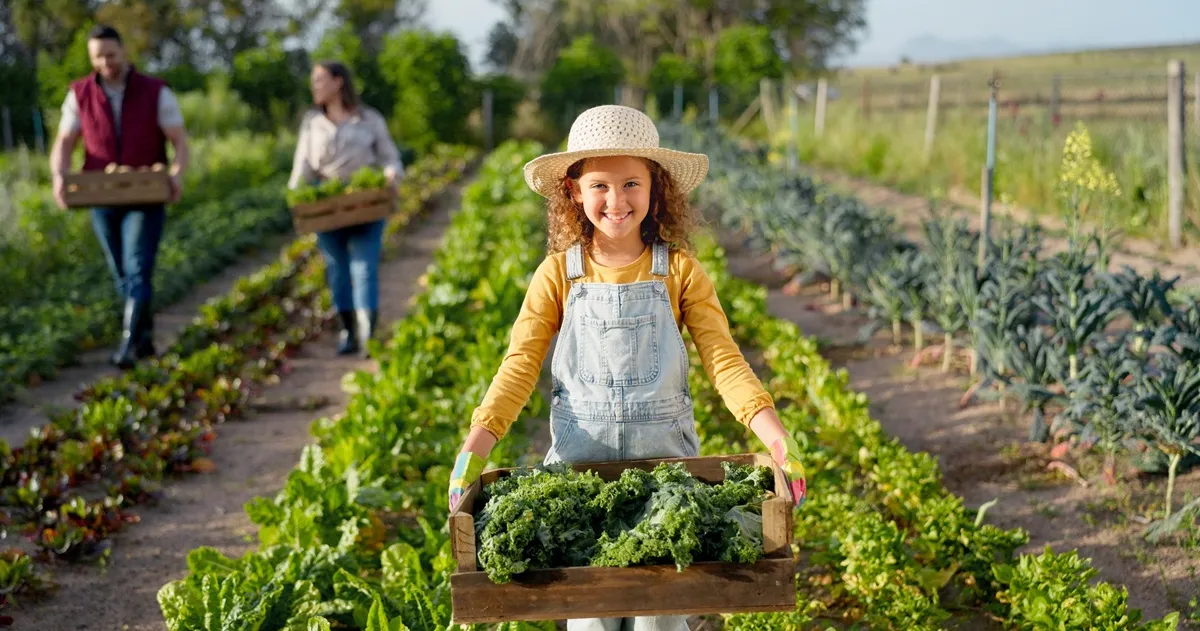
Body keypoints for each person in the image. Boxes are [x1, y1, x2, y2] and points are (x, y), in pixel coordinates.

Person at [447, 105, 808, 631]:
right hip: (577, 476)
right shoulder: (557, 275)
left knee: (658, 620)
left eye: (631, 183)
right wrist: (472, 450)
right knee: (591, 620)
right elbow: (520, 365)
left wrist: (776, 438)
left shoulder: (680, 271)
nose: (616, 201)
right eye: (599, 185)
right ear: (573, 191)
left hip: (669, 478)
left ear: (655, 188)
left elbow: (723, 359)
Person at [49, 24, 190, 369]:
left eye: (110, 54)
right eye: (98, 56)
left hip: (145, 194)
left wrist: (176, 174)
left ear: (124, 52)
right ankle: (144, 340)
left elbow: (179, 141)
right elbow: (65, 143)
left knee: (138, 266)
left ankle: (127, 345)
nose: (105, 62)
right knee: (122, 272)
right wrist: (59, 177)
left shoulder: (155, 91)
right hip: (102, 195)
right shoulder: (79, 94)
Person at [288, 61, 404, 356]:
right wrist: (296, 198)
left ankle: (368, 336)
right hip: (327, 207)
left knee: (364, 268)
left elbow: (390, 157)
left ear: (338, 82)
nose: (315, 86)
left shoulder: (369, 119)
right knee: (337, 270)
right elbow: (302, 166)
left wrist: (391, 174)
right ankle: (348, 331)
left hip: (366, 202)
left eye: (320, 80)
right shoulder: (312, 124)